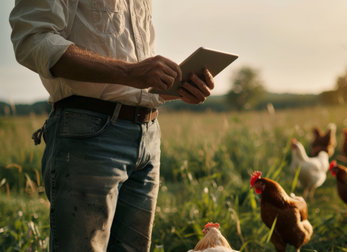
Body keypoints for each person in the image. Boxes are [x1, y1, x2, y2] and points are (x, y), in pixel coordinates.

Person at [9, 0, 214, 251]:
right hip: (89, 134)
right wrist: (129, 72)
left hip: (148, 136)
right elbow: (32, 39)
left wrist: (175, 90)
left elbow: (132, 76)